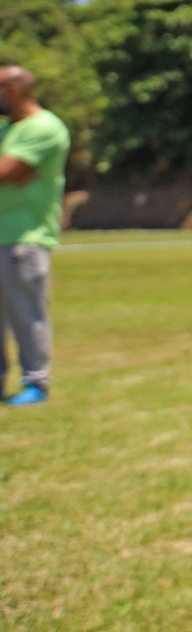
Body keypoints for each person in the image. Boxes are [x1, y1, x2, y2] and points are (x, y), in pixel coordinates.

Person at [0, 65, 70, 407]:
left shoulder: (44, 127)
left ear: (12, 89)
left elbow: (4, 172)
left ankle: (36, 382)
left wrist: (10, 170)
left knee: (27, 314)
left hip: (25, 236)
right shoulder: (6, 131)